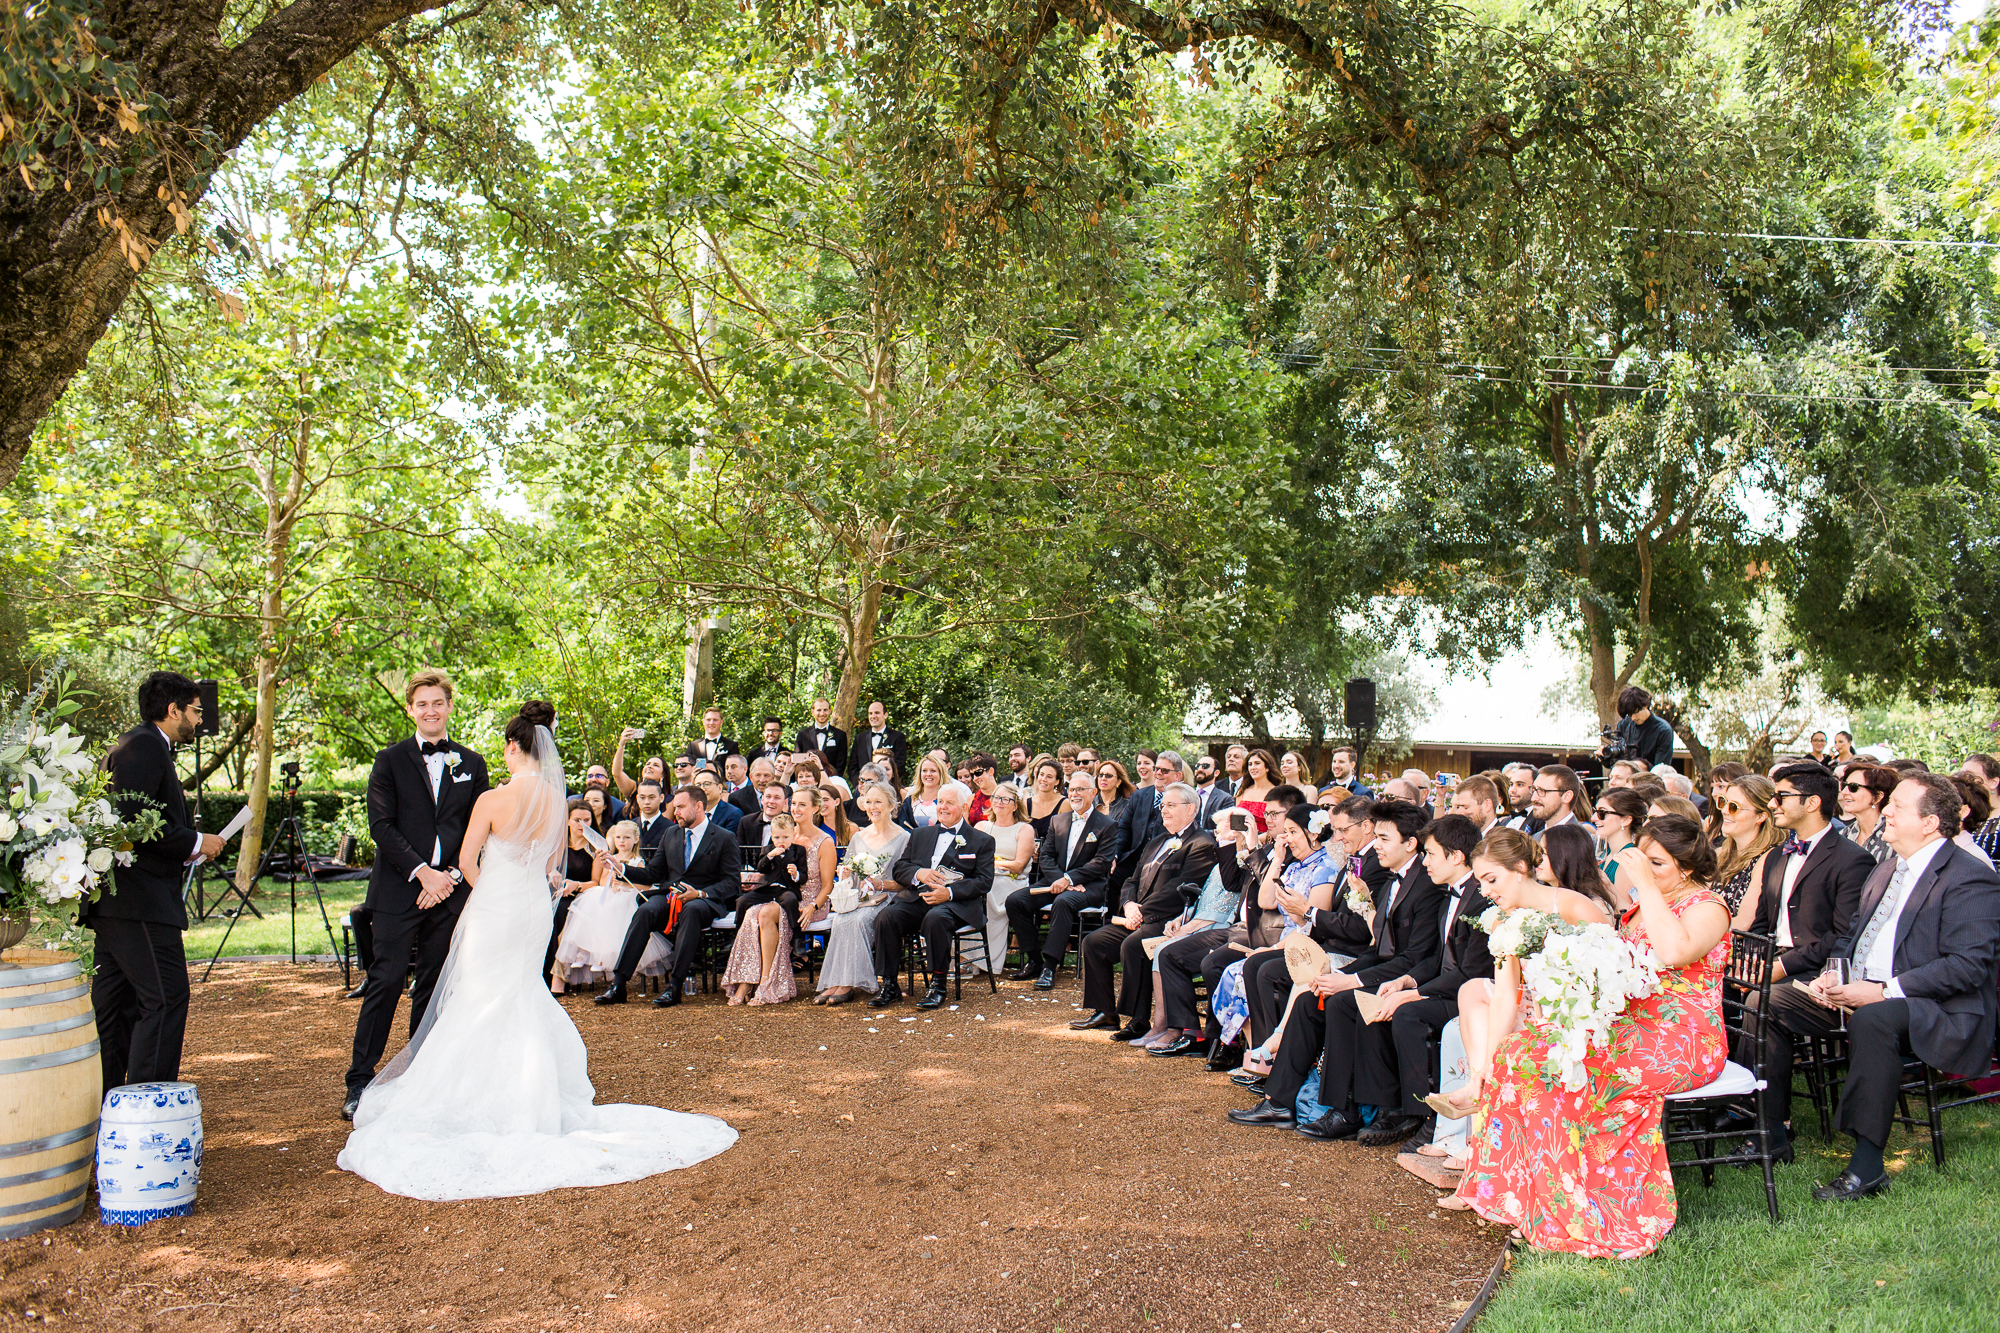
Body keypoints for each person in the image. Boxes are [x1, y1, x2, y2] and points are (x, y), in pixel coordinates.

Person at [338, 712, 737, 1199]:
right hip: (531, 908)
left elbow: (466, 861)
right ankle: (531, 1096)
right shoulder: (553, 802)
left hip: (496, 904)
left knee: (480, 993)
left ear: (511, 747)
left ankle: (474, 1090)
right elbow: (553, 866)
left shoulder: (492, 798)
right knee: (520, 990)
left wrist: (489, 895)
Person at [1446, 817, 1729, 1258]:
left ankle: (1575, 1206)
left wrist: (1644, 887)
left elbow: (1674, 952)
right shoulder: (1641, 908)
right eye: (1644, 863)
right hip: (1629, 1026)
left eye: (1658, 864)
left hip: (1682, 1039)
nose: (1647, 873)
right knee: (1516, 1053)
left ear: (1686, 868)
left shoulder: (1708, 907)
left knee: (1556, 1072)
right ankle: (1518, 1196)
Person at [1762, 774, 2000, 1201]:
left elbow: (1968, 966)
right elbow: (1852, 937)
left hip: (1937, 1008)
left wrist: (1883, 990)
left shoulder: (1969, 876)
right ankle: (1773, 1131)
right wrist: (1834, 975)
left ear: (1930, 823)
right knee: (1771, 1000)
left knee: (1874, 1019)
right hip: (1865, 992)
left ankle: (1868, 1167)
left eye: (1898, 806)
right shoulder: (1887, 868)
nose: (1885, 810)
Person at [341, 671, 492, 1120]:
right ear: (410, 709)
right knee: (385, 981)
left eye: (438, 702)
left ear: (449, 706)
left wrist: (447, 877)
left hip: (450, 891)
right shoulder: (388, 761)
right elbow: (380, 827)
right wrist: (423, 873)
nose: (430, 710)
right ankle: (360, 1082)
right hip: (397, 890)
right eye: (422, 703)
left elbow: (478, 830)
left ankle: (420, 1079)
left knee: (432, 985)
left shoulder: (472, 762)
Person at [87, 671, 227, 1093]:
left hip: (120, 903)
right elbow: (132, 825)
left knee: (117, 1009)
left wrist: (188, 849)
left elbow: (138, 825)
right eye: (196, 711)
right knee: (165, 999)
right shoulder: (145, 747)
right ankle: (148, 1109)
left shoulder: (137, 745)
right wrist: (198, 840)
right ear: (173, 711)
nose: (200, 720)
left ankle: (105, 1109)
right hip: (138, 903)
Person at [1071, 783, 1218, 1038]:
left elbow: (1179, 888)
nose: (1164, 811)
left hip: (1168, 920)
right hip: (1136, 915)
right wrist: (1128, 905)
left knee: (1133, 945)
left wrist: (1142, 914)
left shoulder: (1202, 843)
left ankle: (1138, 1020)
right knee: (1094, 942)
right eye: (1163, 806)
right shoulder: (1157, 841)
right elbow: (1132, 880)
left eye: (1171, 805)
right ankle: (1105, 1012)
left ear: (1191, 809)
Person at [591, 784, 743, 1008]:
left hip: (704, 900)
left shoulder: (724, 837)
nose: (676, 812)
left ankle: (674, 986)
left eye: (681, 807)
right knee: (646, 910)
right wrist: (619, 867)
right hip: (670, 895)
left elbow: (732, 882)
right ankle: (619, 984)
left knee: (692, 910)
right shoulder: (670, 833)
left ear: (698, 806)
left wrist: (700, 893)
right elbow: (654, 873)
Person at [878, 783, 995, 1009]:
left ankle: (938, 984)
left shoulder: (981, 840)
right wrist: (918, 873)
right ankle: (889, 984)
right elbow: (900, 869)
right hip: (919, 899)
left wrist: (949, 893)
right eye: (940, 802)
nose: (943, 807)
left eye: (949, 803)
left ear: (963, 807)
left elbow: (984, 881)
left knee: (936, 919)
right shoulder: (920, 834)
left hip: (956, 905)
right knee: (887, 917)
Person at [1007, 772, 1120, 987]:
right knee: (1016, 901)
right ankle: (1034, 960)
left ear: (1093, 793)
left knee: (1063, 902)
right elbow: (1046, 856)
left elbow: (1102, 863)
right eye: (1072, 789)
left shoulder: (1107, 825)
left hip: (1090, 886)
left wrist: (1070, 880)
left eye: (1080, 789)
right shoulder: (1058, 821)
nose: (1074, 794)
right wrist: (1061, 880)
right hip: (1054, 881)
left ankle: (1050, 966)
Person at [814, 782, 911, 1006]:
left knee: (857, 921)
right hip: (861, 898)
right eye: (868, 802)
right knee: (840, 919)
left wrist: (882, 884)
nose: (872, 807)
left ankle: (848, 984)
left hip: (889, 899)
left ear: (891, 805)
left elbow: (906, 881)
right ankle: (835, 981)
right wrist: (846, 873)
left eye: (878, 801)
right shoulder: (859, 837)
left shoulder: (904, 837)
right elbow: (848, 877)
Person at [553, 819, 667, 992]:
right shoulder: (610, 858)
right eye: (619, 837)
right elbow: (602, 881)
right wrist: (612, 878)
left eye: (627, 837)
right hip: (610, 893)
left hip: (628, 897)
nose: (622, 841)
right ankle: (585, 952)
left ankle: (602, 958)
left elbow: (644, 885)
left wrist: (624, 883)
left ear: (636, 840)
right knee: (591, 904)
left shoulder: (637, 861)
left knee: (614, 910)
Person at [722, 814, 808, 1005]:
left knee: (791, 901)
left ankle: (798, 937)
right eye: (777, 837)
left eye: (785, 837)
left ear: (793, 835)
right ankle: (736, 933)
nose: (781, 841)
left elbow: (804, 877)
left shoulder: (799, 851)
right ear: (772, 837)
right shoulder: (768, 850)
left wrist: (796, 874)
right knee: (743, 901)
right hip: (767, 888)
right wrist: (770, 855)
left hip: (786, 889)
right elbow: (761, 867)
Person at [975, 784, 1035, 974]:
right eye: (996, 797)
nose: (999, 802)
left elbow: (1018, 866)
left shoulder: (1024, 829)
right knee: (970, 892)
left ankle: (987, 961)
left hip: (1011, 882)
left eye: (1005, 799)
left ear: (1015, 805)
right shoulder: (981, 826)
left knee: (990, 890)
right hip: (985, 878)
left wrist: (992, 864)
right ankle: (968, 956)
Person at [543, 799, 601, 993]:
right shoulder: (558, 844)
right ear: (567, 821)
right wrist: (552, 873)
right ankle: (541, 972)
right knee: (545, 911)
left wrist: (577, 885)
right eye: (577, 820)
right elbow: (546, 867)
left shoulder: (596, 847)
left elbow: (596, 881)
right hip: (555, 893)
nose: (582, 825)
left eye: (587, 820)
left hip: (583, 897)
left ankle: (555, 977)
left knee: (560, 912)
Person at [1715, 774, 1784, 928]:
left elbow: (1743, 923)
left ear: (1761, 816)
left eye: (1734, 807)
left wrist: (1694, 937)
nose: (1725, 811)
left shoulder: (1767, 859)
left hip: (1736, 947)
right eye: (1722, 802)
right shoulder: (1719, 854)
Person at [1601, 685, 1677, 770]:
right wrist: (1606, 758)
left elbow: (1661, 769)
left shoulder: (1663, 730)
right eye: (1629, 715)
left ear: (1645, 705)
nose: (1633, 718)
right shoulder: (1624, 724)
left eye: (1635, 712)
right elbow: (1618, 761)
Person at [1592, 787, 1650, 895]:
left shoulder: (1628, 859)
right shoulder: (1607, 853)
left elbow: (1624, 909)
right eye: (1594, 811)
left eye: (1602, 813)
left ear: (1625, 819)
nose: (1594, 818)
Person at [1838, 763, 1896, 864]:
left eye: (1853, 787)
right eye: (1844, 785)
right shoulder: (1844, 834)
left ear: (1877, 797)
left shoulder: (1894, 834)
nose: (1844, 792)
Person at [848, 700, 909, 789]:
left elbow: (899, 764)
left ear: (885, 715)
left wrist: (886, 783)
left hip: (889, 787)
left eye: (877, 713)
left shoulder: (897, 737)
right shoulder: (859, 738)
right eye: (870, 713)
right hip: (864, 788)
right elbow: (852, 766)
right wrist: (859, 785)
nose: (873, 716)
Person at [1528, 765, 1590, 838]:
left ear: (1567, 796)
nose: (1533, 798)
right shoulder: (1534, 839)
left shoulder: (1584, 840)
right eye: (1534, 790)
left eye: (1542, 791)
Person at [794, 697, 848, 778]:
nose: (822, 713)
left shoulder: (840, 735)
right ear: (812, 712)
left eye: (825, 710)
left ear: (830, 711)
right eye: (819, 710)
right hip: (808, 780)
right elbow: (798, 760)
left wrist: (834, 779)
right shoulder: (803, 734)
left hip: (831, 779)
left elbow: (841, 763)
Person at [608, 730, 666, 802]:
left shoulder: (669, 799)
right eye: (647, 764)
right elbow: (617, 773)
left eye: (656, 765)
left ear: (663, 774)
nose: (649, 766)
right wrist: (621, 745)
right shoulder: (634, 789)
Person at [897, 754, 947, 828]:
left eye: (933, 770)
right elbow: (902, 826)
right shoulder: (911, 799)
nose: (928, 774)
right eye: (924, 770)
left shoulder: (947, 799)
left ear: (941, 773)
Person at [1235, 749, 1279, 832]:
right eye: (1250, 764)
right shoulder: (1242, 792)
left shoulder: (1278, 793)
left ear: (1267, 768)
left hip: (1267, 842)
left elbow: (1279, 827)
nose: (1253, 767)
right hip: (1241, 841)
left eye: (1257, 763)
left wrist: (1256, 840)